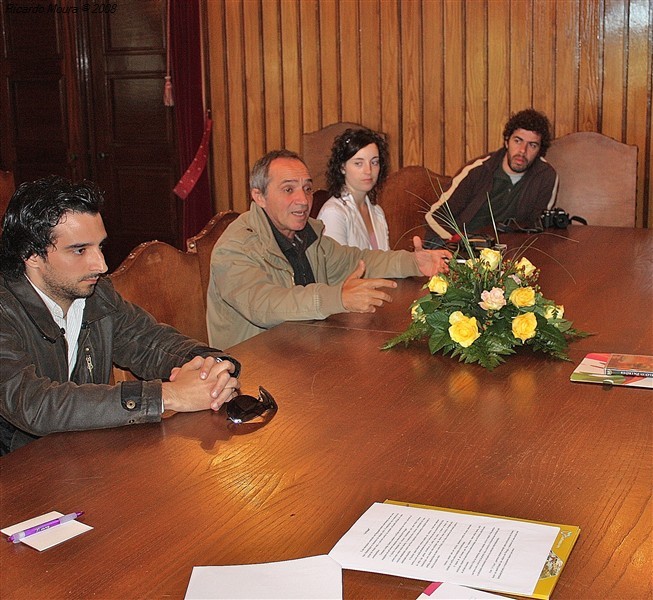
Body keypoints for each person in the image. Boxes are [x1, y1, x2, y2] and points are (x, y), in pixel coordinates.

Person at [0, 176, 241, 455]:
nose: (100, 265)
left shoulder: (96, 294)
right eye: (80, 250)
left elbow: (150, 342)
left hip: (79, 457)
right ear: (30, 254)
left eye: (100, 246)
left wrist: (214, 366)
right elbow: (34, 404)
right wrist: (169, 396)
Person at [206, 149, 451, 349]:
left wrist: (414, 263)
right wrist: (339, 298)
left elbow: (358, 261)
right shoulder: (235, 248)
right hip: (251, 372)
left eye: (307, 188)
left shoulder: (307, 234)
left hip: (305, 352)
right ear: (259, 196)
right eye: (288, 189)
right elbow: (263, 305)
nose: (303, 200)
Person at [424, 108, 558, 245]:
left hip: (507, 251)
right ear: (507, 141)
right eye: (518, 141)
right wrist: (460, 242)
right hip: (459, 245)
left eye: (532, 145)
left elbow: (537, 227)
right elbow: (435, 216)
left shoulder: (545, 177)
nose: (523, 151)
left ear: (540, 150)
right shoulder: (478, 170)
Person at [317, 127, 390, 250]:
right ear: (342, 167)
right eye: (358, 163)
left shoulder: (377, 212)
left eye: (374, 162)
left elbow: (386, 261)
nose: (368, 171)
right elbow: (336, 267)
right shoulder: (334, 213)